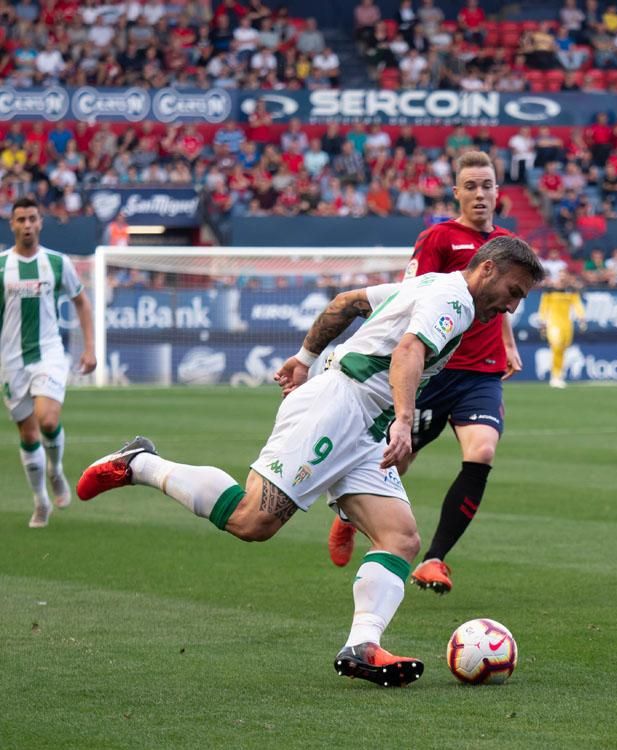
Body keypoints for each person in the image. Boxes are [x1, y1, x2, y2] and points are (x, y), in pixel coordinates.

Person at [75, 237, 545, 687]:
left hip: (363, 427)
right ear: (487, 269)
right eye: (513, 292)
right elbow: (408, 350)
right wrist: (404, 420)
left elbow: (348, 302)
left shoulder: (428, 285)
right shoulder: (455, 301)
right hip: (339, 409)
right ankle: (140, 463)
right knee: (252, 521)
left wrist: (304, 358)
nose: (511, 307)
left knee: (400, 538)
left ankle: (362, 646)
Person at [327, 150, 522, 595]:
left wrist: (507, 342)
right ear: (456, 192)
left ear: (498, 191)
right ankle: (347, 516)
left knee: (483, 452)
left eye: (487, 185)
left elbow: (502, 298)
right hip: (437, 368)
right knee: (399, 457)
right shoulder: (437, 238)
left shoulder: (507, 244)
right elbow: (409, 296)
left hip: (481, 373)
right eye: (470, 186)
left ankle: (434, 559)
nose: (479, 194)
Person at [3, 197, 96, 528]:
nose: (27, 225)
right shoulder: (2, 266)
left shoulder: (57, 263)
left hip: (49, 353)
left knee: (47, 419)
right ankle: (40, 500)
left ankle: (56, 470)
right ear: (11, 224)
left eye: (32, 218)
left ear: (40, 222)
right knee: (28, 435)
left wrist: (89, 348)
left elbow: (82, 303)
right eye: (20, 220)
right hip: (11, 361)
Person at [537, 272, 586, 388]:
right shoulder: (549, 291)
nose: (562, 279)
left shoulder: (571, 291)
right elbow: (543, 307)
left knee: (563, 349)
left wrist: (582, 318)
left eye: (564, 277)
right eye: (560, 277)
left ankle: (559, 375)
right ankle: (555, 376)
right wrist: (542, 321)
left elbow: (577, 305)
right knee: (556, 345)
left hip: (567, 324)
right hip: (553, 323)